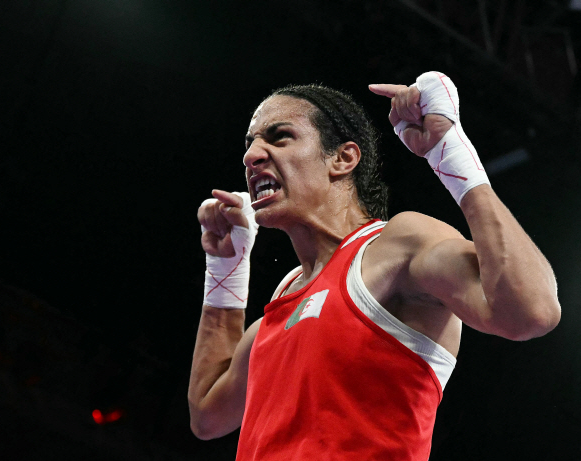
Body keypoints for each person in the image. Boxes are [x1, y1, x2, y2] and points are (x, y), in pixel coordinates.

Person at [188, 72, 561, 460]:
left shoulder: (397, 246)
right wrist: (225, 267)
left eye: (279, 137)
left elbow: (532, 312)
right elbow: (208, 415)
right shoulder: (288, 292)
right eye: (251, 144)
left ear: (343, 158)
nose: (252, 156)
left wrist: (450, 151)